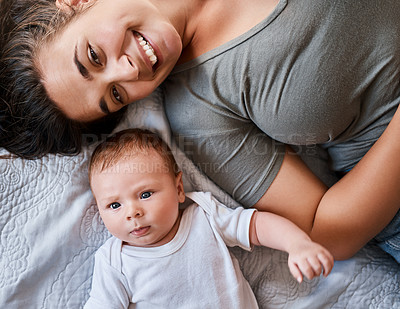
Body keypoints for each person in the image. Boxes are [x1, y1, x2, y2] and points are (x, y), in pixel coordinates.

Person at [1, 0, 400, 262]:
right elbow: (326, 232)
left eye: (93, 55)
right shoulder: (199, 110)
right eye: (117, 94)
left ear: (76, 3)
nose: (128, 71)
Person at [85, 128, 334, 308]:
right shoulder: (115, 261)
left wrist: (296, 244)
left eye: (145, 194)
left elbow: (257, 226)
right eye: (114, 204)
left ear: (179, 189)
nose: (132, 212)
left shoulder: (204, 216)